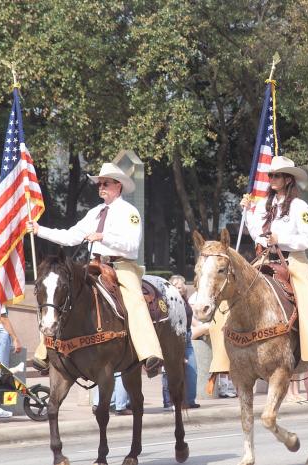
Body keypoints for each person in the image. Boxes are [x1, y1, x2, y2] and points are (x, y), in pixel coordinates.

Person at [27, 162, 163, 377]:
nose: (101, 187)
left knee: (135, 301)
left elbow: (132, 245)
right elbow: (71, 236)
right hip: (93, 264)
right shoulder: (95, 213)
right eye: (99, 183)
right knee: (65, 294)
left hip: (120, 266)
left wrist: (103, 237)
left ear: (118, 186)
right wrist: (39, 230)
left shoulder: (130, 212)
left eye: (105, 183)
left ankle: (150, 354)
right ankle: (45, 352)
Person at [240, 156, 308, 370]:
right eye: (270, 175)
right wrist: (246, 212)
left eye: (277, 175)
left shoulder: (299, 206)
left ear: (288, 179)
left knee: (307, 301)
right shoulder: (265, 205)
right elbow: (256, 232)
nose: (272, 179)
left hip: (292, 260)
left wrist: (280, 240)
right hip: (265, 258)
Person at [163, 275, 199, 409]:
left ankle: (190, 400)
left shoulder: (184, 300)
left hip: (187, 336)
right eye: (176, 287)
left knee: (192, 369)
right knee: (170, 371)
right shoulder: (168, 301)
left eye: (180, 287)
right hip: (173, 337)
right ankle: (168, 401)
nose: (179, 289)